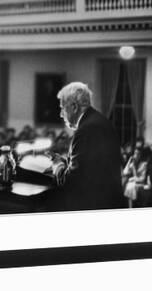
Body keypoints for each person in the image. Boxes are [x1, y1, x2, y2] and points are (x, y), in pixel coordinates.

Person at [52, 82, 124, 211]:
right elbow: (90, 168)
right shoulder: (99, 121)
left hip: (93, 206)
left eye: (62, 108)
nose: (61, 114)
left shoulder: (87, 130)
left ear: (74, 107)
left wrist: (58, 166)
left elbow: (72, 181)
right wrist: (66, 162)